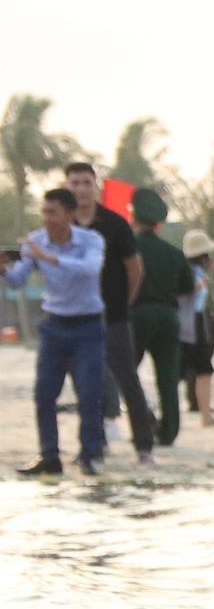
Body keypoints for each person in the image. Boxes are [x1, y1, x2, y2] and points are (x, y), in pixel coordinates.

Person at [9, 188, 106, 476]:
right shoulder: (36, 240)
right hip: (54, 325)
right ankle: (49, 455)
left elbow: (90, 269)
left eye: (53, 212)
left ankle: (90, 454)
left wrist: (49, 258)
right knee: (44, 393)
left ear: (70, 214)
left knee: (89, 393)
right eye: (44, 212)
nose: (47, 218)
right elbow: (18, 281)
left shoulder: (90, 240)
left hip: (88, 324)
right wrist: (4, 269)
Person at [65, 163, 151, 463]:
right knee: (85, 383)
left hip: (113, 316)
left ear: (95, 186)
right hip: (76, 316)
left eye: (86, 183)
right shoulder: (63, 225)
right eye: (74, 183)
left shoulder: (114, 224)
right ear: (67, 187)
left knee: (127, 379)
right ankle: (94, 445)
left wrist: (123, 303)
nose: (80, 189)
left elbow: (134, 269)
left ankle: (144, 446)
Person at [128, 188, 193, 447]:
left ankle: (146, 420)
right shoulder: (174, 252)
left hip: (136, 314)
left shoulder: (129, 249)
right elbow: (187, 287)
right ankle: (169, 432)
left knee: (127, 374)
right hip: (168, 315)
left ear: (133, 216)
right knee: (167, 376)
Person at [179, 232, 214, 428]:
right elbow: (180, 293)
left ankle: (206, 415)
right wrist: (196, 285)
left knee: (205, 370)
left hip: (199, 322)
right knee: (177, 372)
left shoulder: (199, 271)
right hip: (185, 323)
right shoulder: (184, 271)